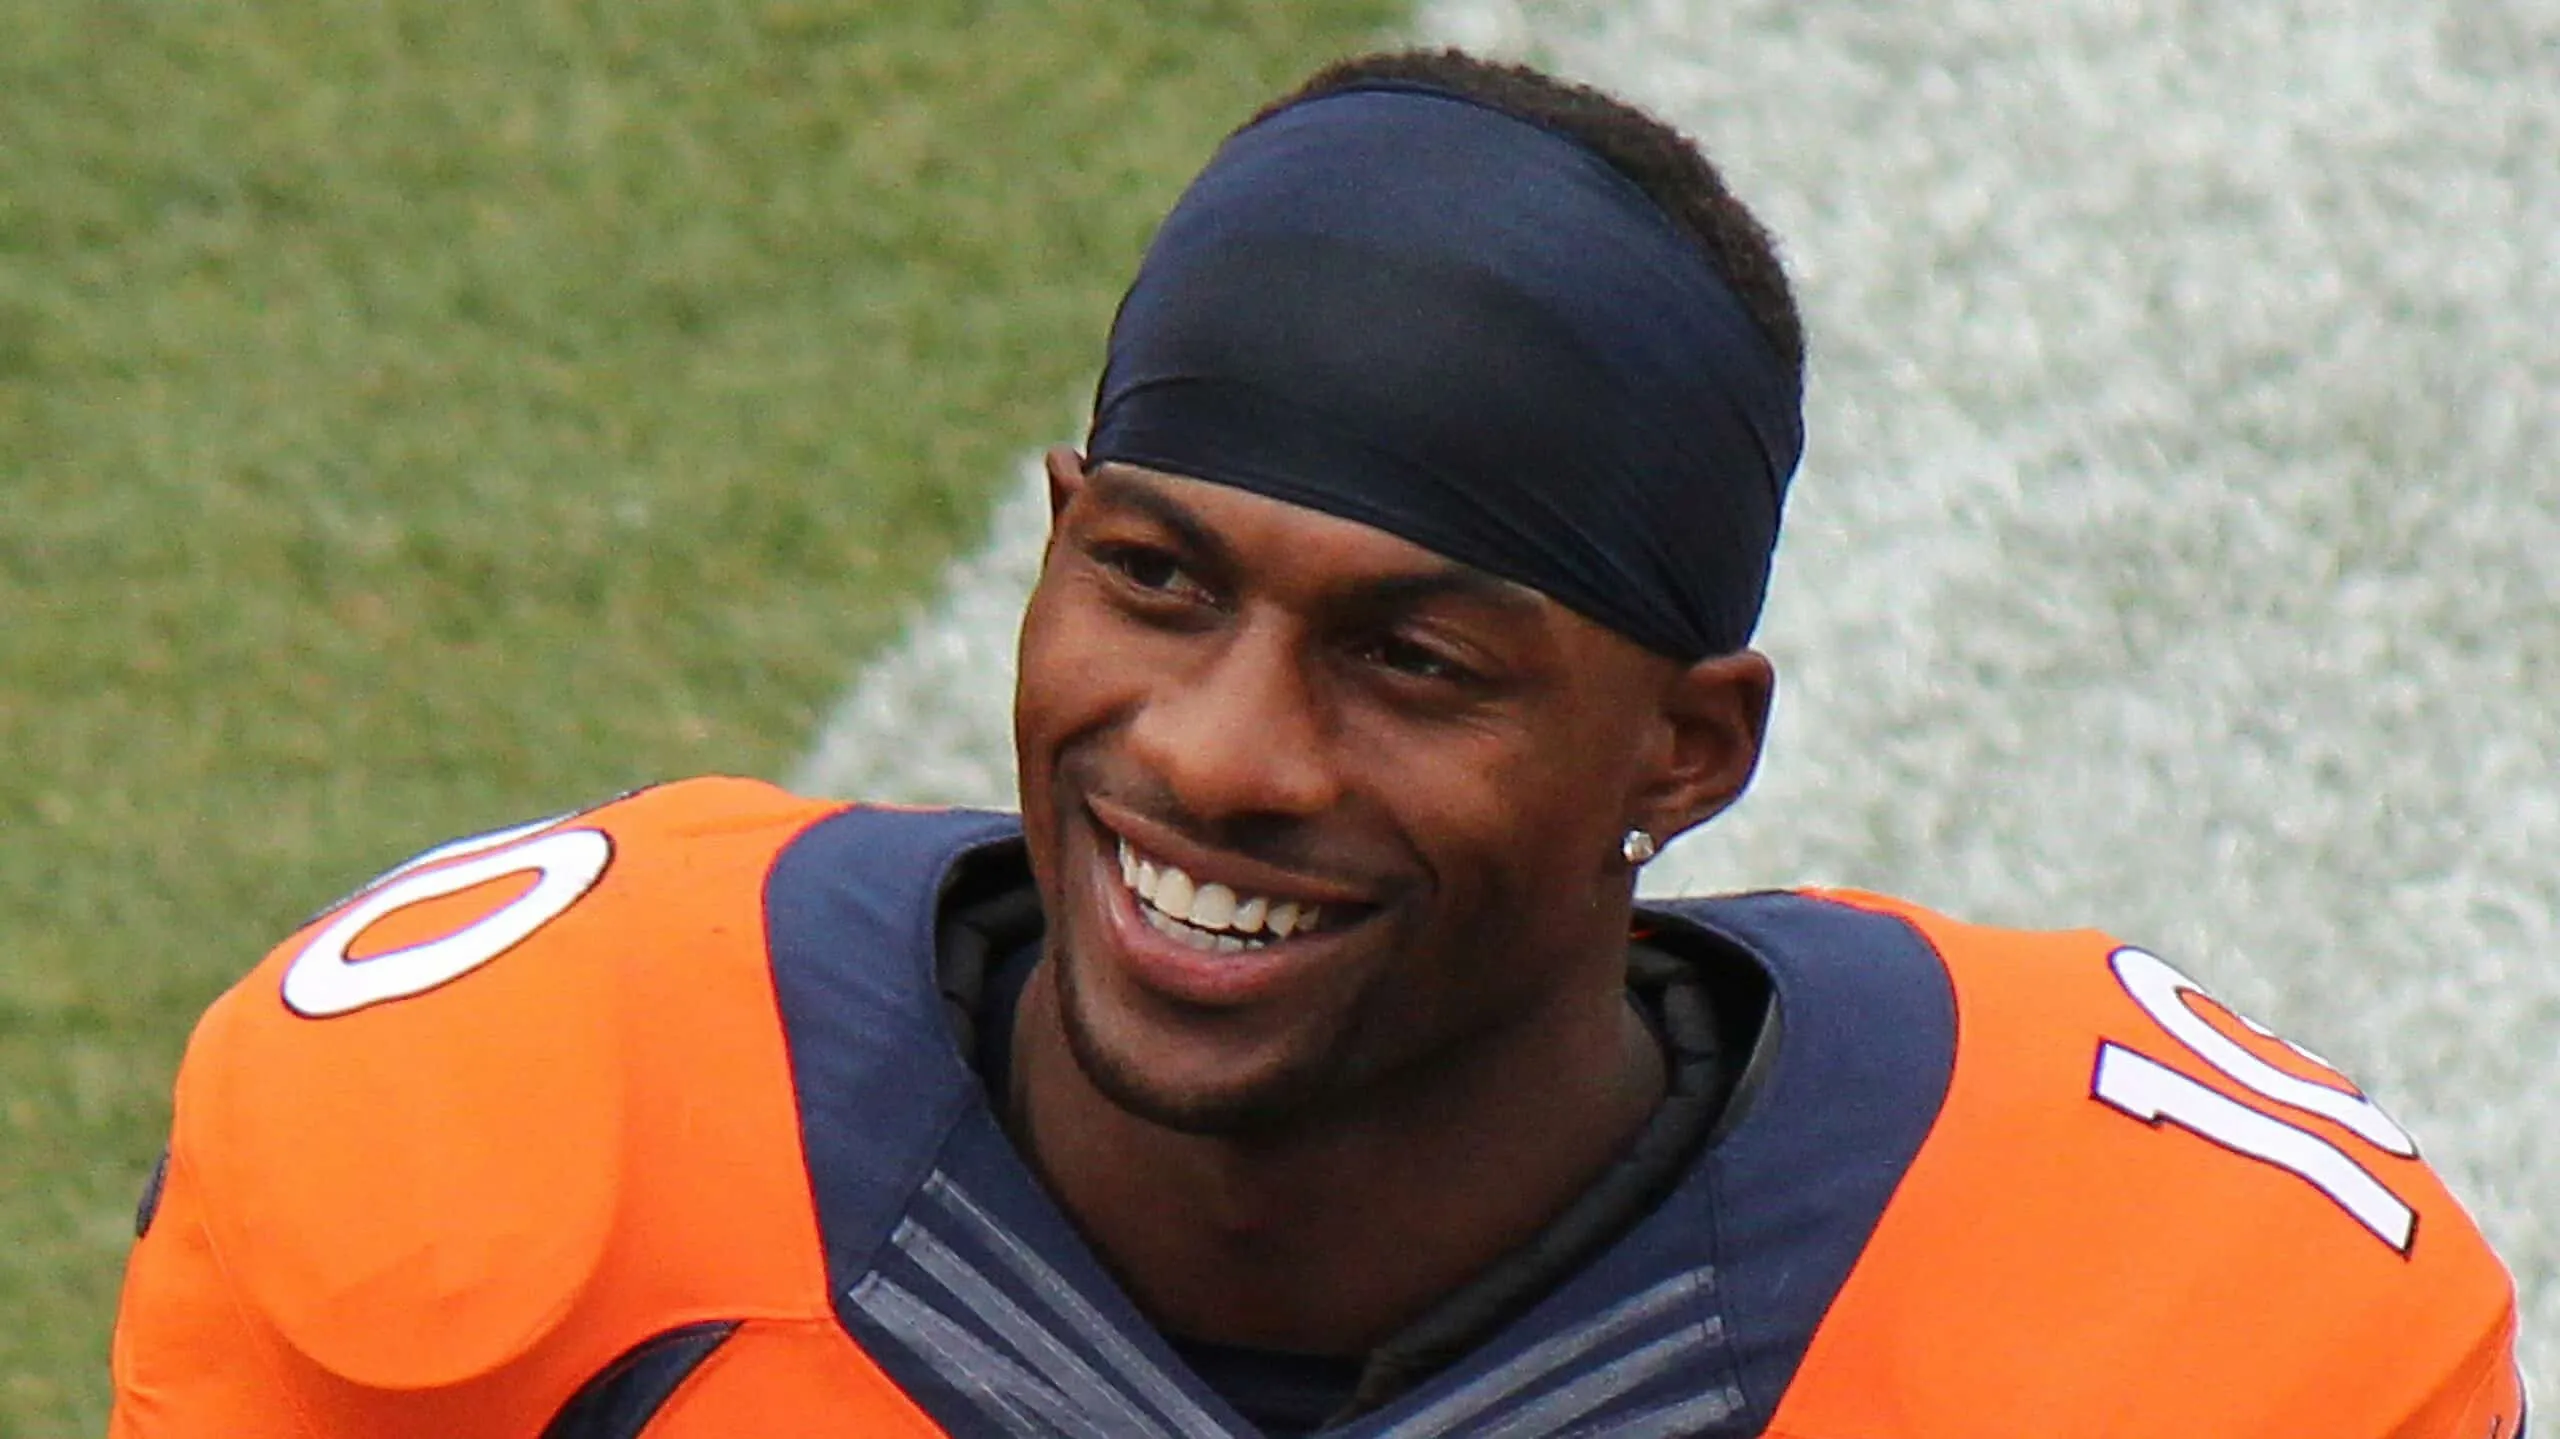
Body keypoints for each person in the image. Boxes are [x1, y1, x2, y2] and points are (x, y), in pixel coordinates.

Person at [106, 48, 2526, 1439]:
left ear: (1683, 749)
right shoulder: (533, 1150)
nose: (1223, 751)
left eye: (1415, 658)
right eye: (1154, 578)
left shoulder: (2165, 1324)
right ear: (1056, 535)